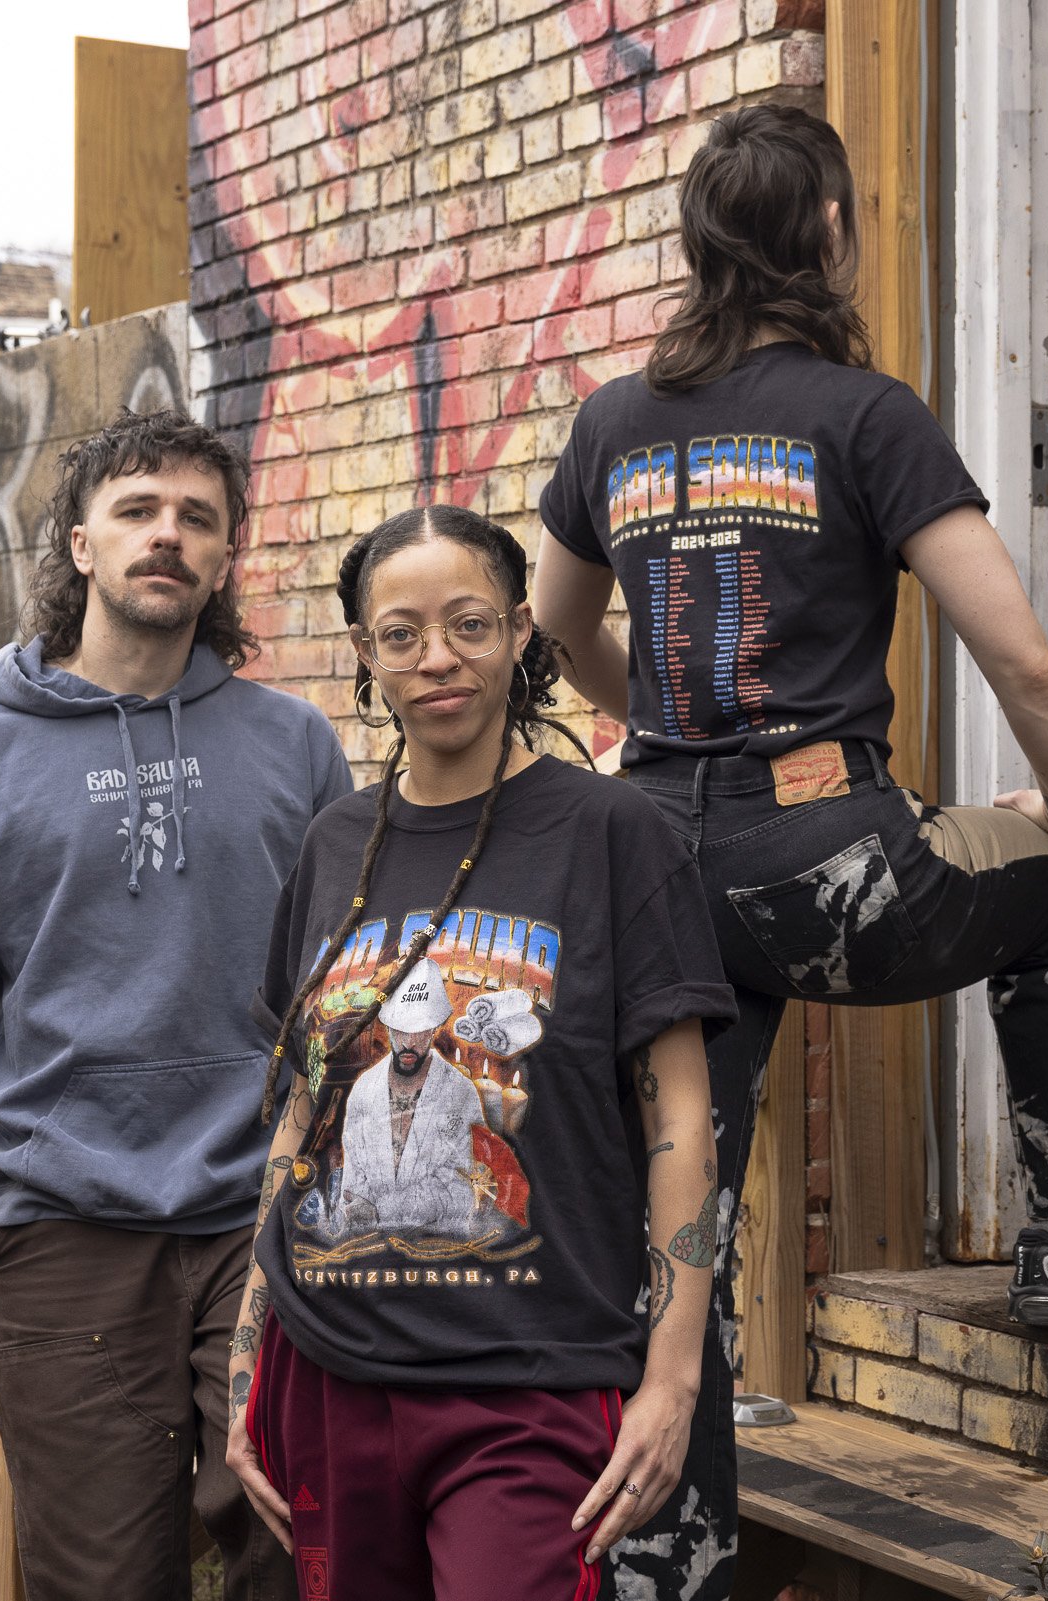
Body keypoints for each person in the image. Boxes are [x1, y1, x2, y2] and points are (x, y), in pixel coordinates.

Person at [531, 103, 1048, 1593]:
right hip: (825, 864)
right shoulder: (866, 413)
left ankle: (670, 1567)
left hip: (652, 871)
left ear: (700, 240)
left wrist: (659, 729)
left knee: (682, 1227)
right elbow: (1022, 660)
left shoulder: (612, 420)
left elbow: (559, 627)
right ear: (827, 228)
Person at [222, 505, 739, 1601]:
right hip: (327, 1374)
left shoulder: (613, 834)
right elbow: (300, 1114)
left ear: (518, 632)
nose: (437, 658)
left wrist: (675, 1379)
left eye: (468, 623)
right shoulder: (333, 844)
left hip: (530, 1382)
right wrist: (245, 1362)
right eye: (400, 633)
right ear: (365, 653)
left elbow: (682, 1118)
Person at [0, 409, 351, 1601]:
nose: (167, 535)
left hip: (263, 1220)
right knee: (101, 1581)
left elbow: (340, 995)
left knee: (302, 1558)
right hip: (62, 1229)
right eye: (138, 509)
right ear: (80, 544)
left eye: (198, 517)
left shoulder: (297, 746)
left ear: (227, 555)